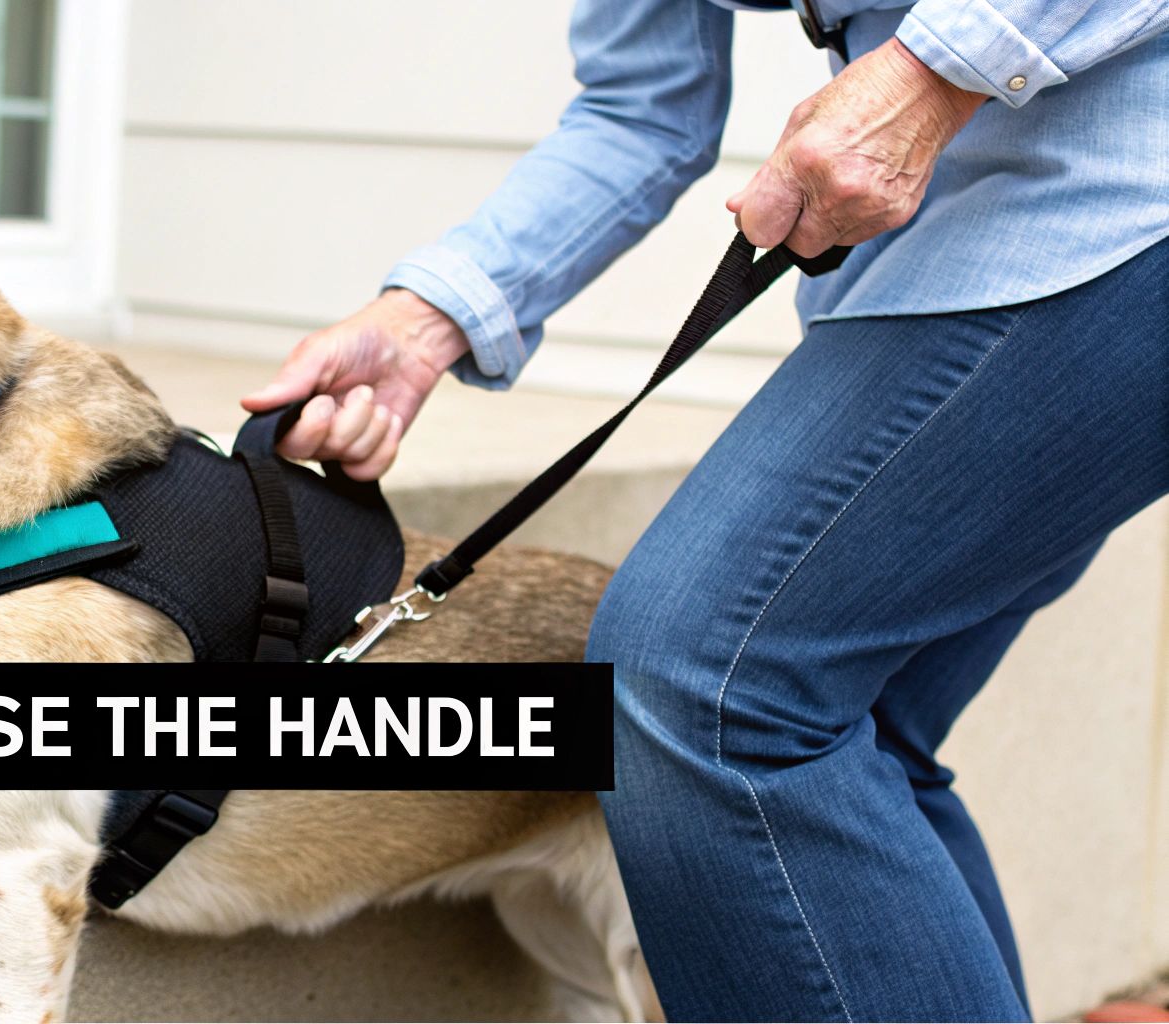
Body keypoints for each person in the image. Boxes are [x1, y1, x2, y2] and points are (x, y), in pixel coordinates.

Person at [243, 2, 1169, 1020]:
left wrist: (934, 72)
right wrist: (427, 320)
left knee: (705, 676)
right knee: (866, 737)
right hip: (946, 249)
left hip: (1117, 202)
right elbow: (641, 109)